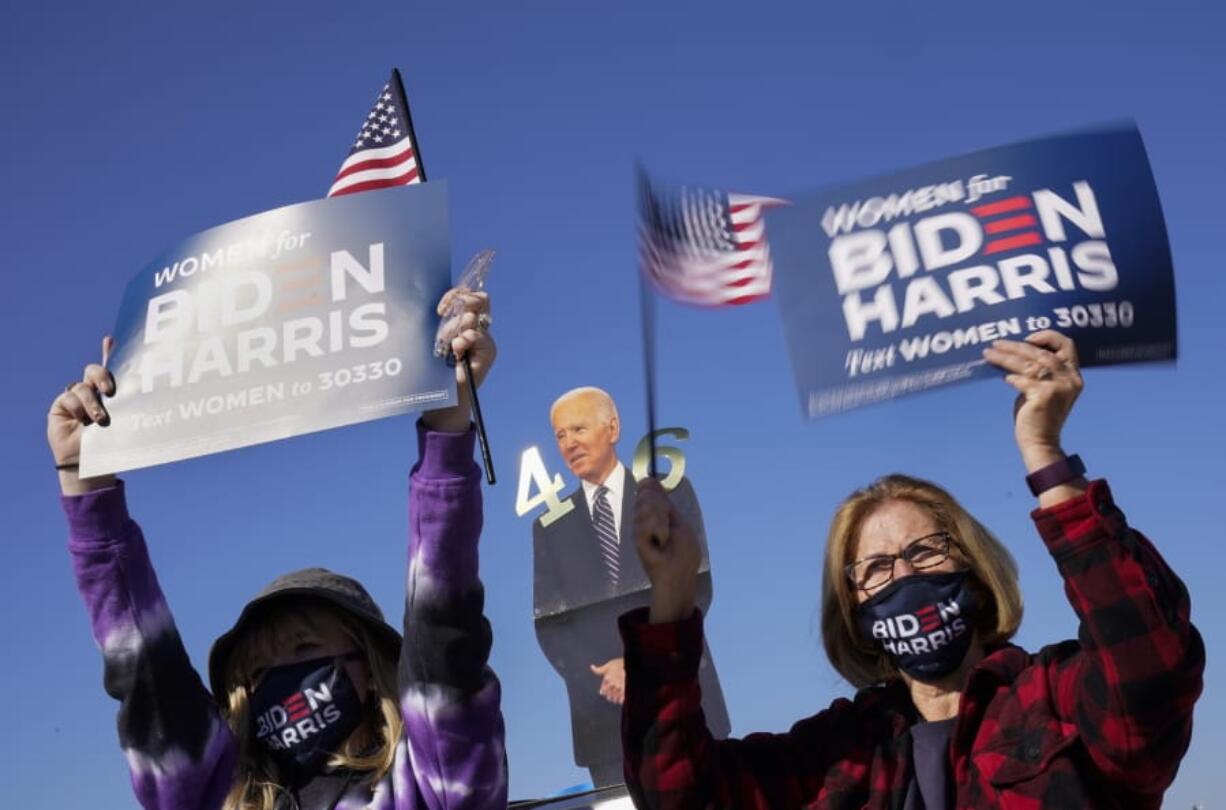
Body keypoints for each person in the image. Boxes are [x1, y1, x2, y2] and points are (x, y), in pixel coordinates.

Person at [621, 331, 1204, 808]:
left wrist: (1045, 456)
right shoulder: (841, 749)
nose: (901, 575)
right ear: (852, 608)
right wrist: (672, 593)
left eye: (924, 551)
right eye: (874, 568)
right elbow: (680, 796)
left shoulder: (1054, 699)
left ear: (973, 568)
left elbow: (1152, 672)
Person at [49, 290, 508, 810]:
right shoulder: (215, 797)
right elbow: (144, 673)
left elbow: (442, 626)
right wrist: (84, 482)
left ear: (374, 668)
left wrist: (448, 429)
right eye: (259, 671)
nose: (283, 678)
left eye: (306, 650)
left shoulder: (431, 784)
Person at [531, 386, 729, 787]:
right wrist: (607, 678)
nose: (569, 444)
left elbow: (696, 584)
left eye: (578, 429)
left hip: (686, 701)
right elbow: (551, 626)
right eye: (560, 436)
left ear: (613, 428)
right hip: (605, 727)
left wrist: (636, 664)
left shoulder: (668, 495)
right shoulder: (548, 529)